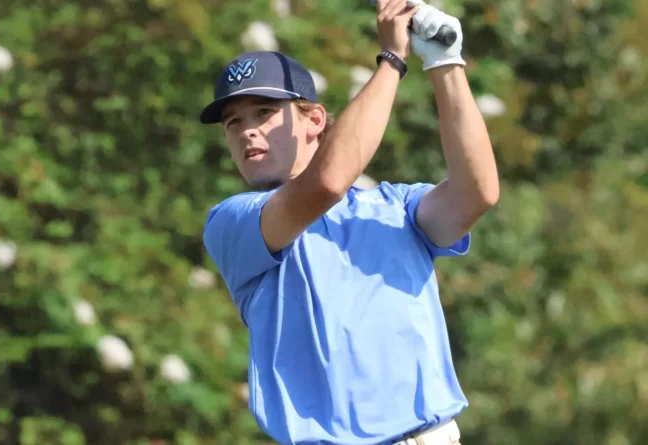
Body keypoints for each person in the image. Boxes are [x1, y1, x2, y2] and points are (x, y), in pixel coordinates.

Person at [200, 0, 499, 443]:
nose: (247, 131)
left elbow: (477, 193)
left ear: (314, 120)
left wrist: (444, 62)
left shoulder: (395, 206)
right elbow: (327, 183)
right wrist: (392, 61)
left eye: (264, 113)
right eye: (233, 122)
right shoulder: (232, 222)